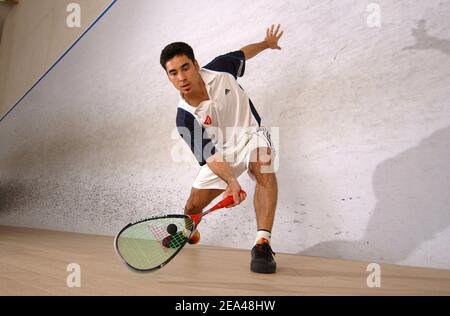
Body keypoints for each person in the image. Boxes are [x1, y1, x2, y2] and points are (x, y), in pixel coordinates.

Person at [160, 24, 284, 274]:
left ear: (195, 64)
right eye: (173, 73)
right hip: (222, 154)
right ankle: (188, 232)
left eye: (185, 68)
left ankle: (262, 244)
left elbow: (243, 53)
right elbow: (211, 156)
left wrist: (266, 43)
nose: (181, 77)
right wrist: (231, 182)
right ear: (169, 77)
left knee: (264, 168)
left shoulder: (220, 68)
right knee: (193, 206)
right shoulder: (184, 117)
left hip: (252, 135)